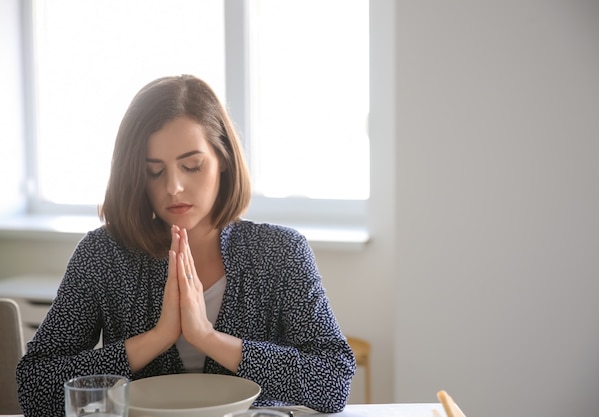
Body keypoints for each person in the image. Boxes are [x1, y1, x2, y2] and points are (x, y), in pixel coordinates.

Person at [16, 75, 356, 417]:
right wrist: (158, 337)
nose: (174, 187)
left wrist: (208, 337)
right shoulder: (103, 254)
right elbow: (34, 388)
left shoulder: (280, 251)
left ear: (222, 158)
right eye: (154, 171)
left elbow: (333, 381)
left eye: (191, 166)